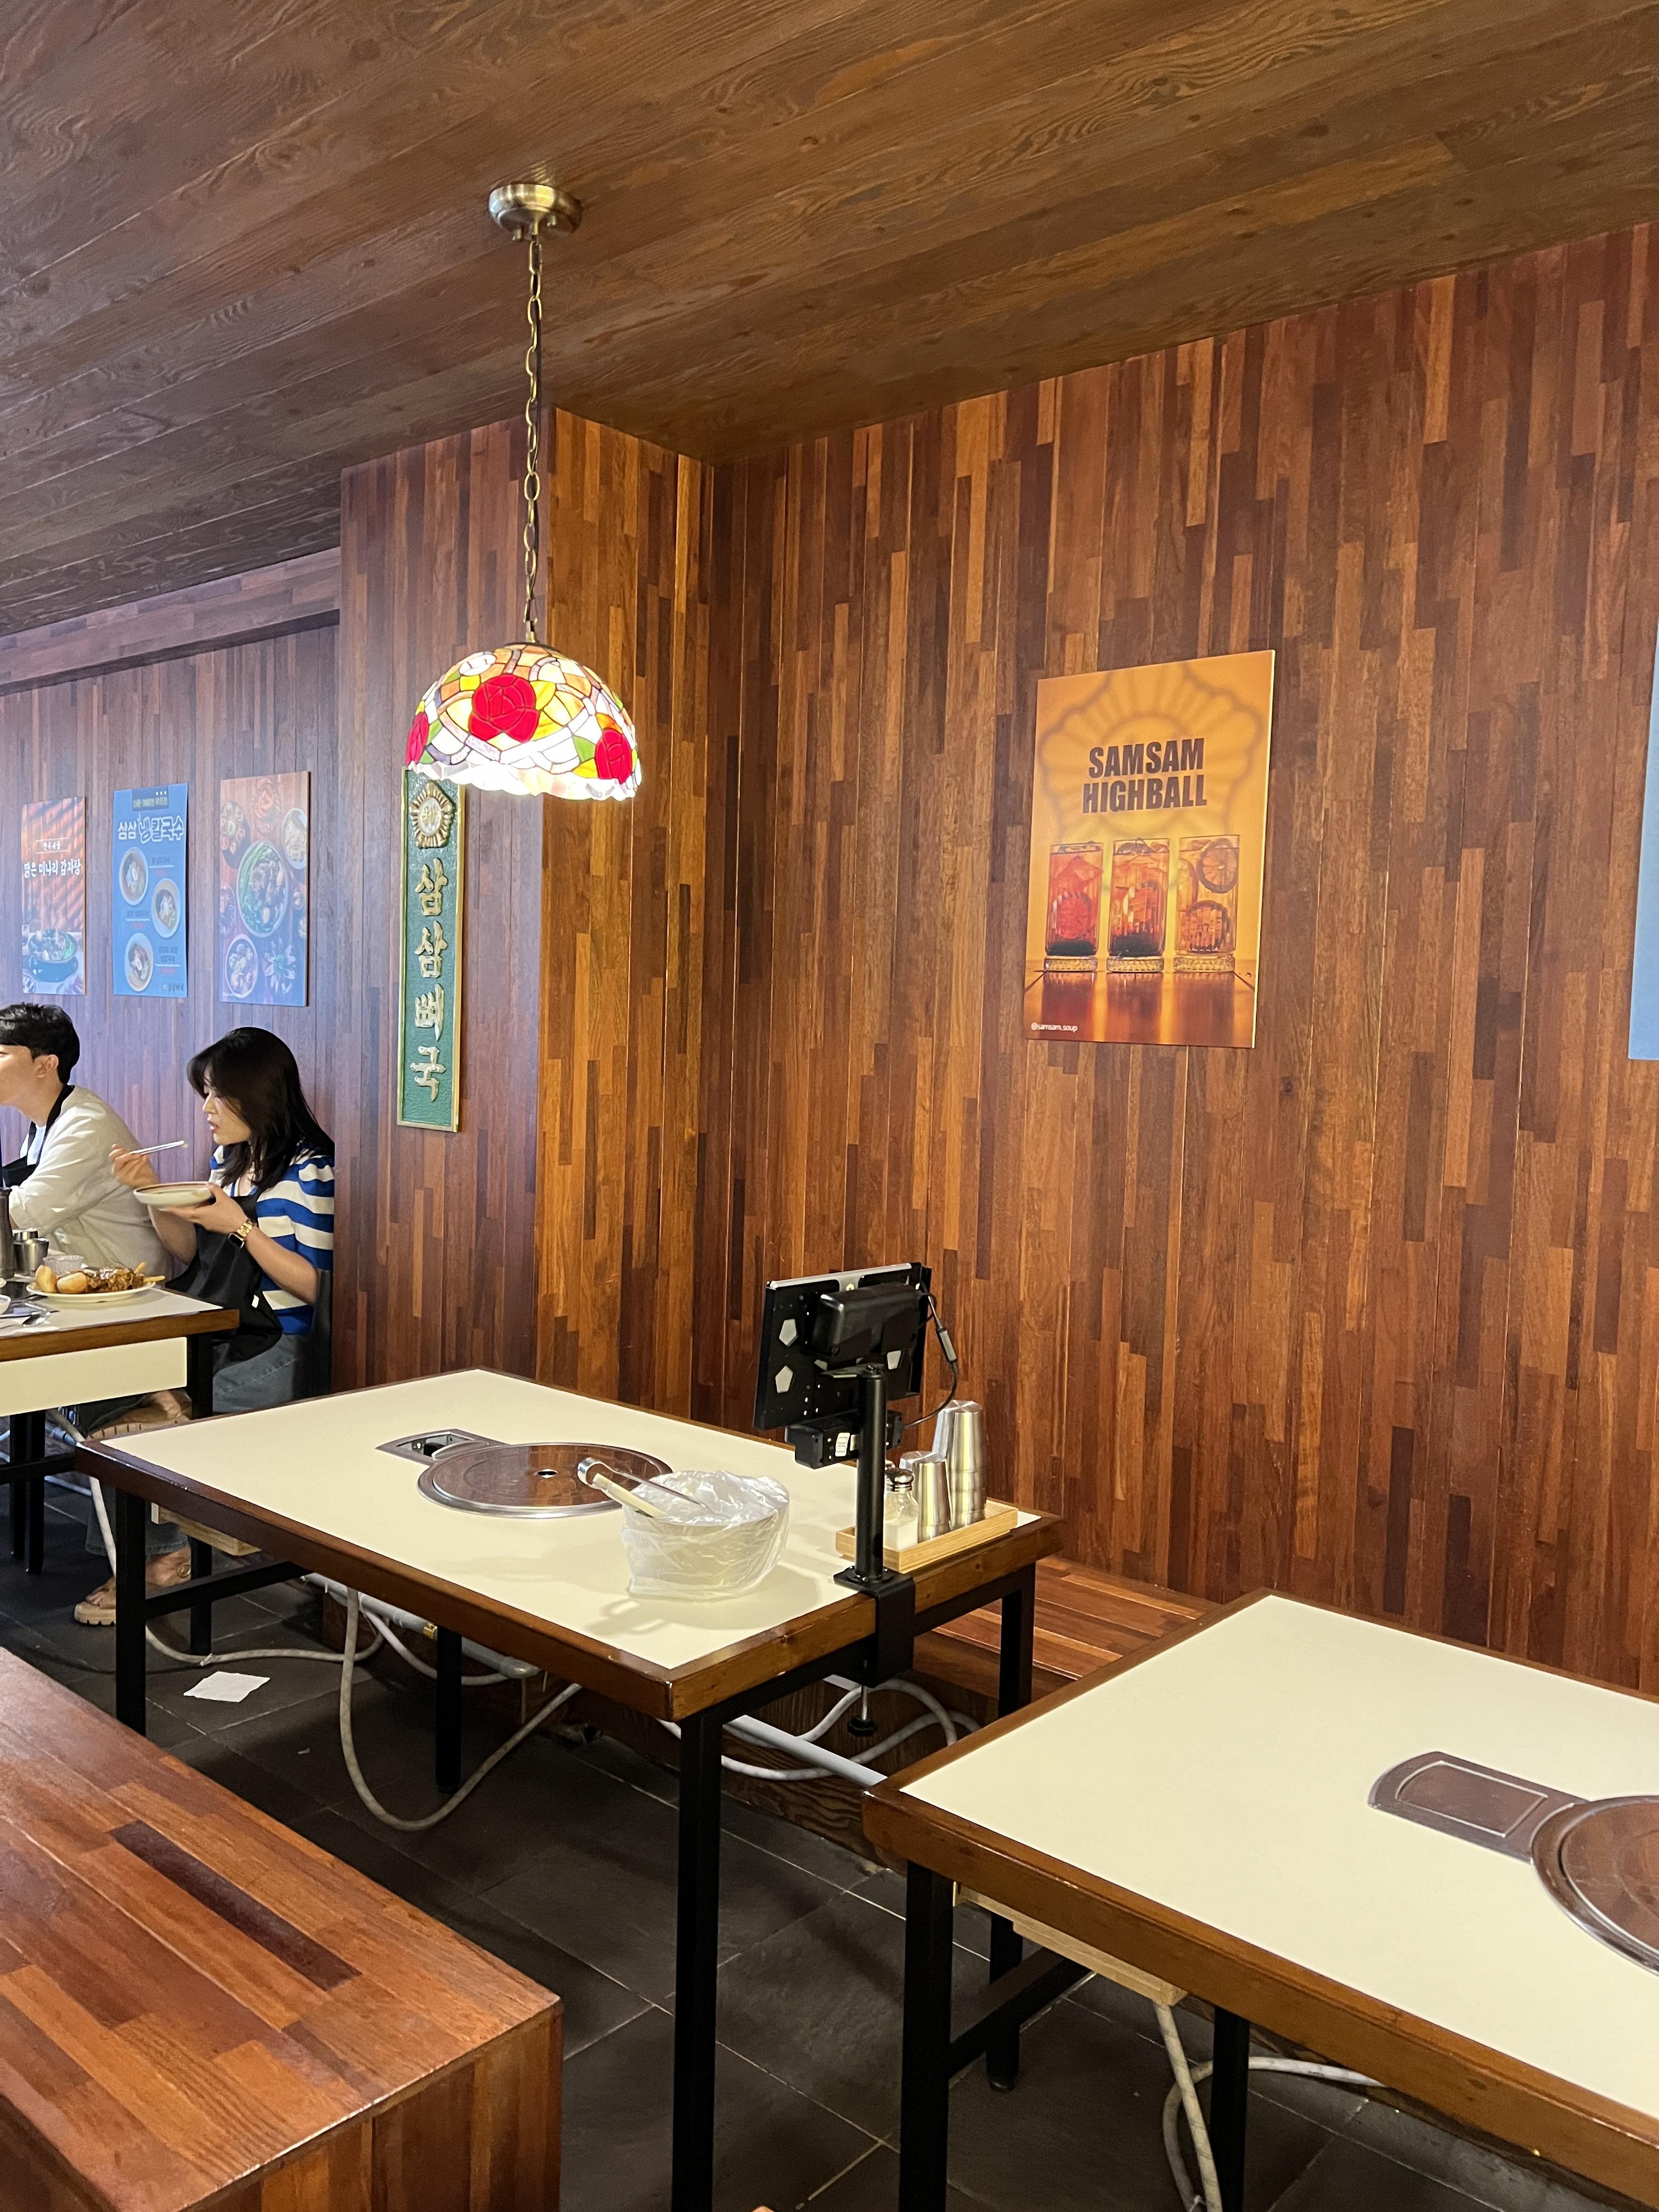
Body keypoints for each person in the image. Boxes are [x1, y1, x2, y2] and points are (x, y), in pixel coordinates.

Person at [73, 1029, 335, 1626]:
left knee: (131, 1430)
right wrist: (150, 1192)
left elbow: (320, 1288)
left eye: (218, 1095)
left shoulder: (312, 1171)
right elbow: (192, 1254)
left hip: (283, 1344)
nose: (207, 1109)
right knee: (101, 1402)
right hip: (222, 1332)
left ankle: (162, 1559)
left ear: (257, 1095)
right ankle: (156, 1544)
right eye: (205, 1095)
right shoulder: (229, 1162)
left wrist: (242, 1227)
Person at [0, 1003, 168, 1274]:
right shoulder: (47, 1121)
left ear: (45, 1065)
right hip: (78, 1279)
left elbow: (18, 1214)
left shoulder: (86, 1126)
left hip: (126, 1286)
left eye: (1, 1054)